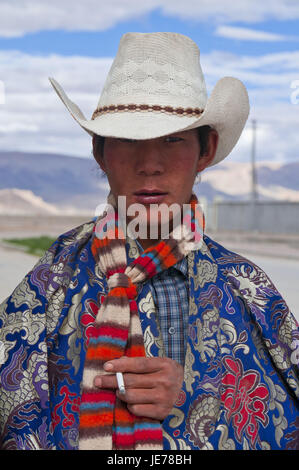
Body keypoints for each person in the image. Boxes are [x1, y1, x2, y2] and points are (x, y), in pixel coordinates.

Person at [0, 32, 298, 451]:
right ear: (100, 153)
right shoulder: (51, 281)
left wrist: (190, 394)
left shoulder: (247, 289)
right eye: (127, 140)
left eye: (173, 139)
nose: (149, 165)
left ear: (205, 150)